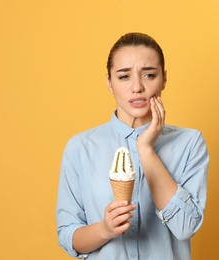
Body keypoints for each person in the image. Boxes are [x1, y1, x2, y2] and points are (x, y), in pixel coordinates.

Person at [56, 32, 209, 259]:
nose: (137, 87)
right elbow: (68, 235)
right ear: (109, 81)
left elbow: (185, 227)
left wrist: (146, 149)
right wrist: (105, 229)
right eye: (124, 76)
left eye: (149, 75)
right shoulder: (80, 147)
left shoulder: (189, 143)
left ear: (164, 79)